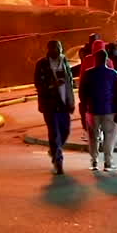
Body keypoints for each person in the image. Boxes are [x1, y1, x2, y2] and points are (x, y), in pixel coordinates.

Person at [34, 40, 75, 175]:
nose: (59, 51)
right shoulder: (42, 64)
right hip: (50, 105)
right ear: (50, 49)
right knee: (54, 133)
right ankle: (58, 161)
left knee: (66, 130)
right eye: (57, 48)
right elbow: (38, 84)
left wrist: (71, 101)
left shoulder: (65, 62)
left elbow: (69, 83)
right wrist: (53, 86)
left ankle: (54, 150)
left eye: (60, 48)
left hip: (64, 104)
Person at [80, 48, 117, 172]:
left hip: (92, 110)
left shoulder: (87, 73)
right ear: (106, 60)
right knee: (109, 136)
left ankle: (94, 162)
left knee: (93, 136)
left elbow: (82, 93)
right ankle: (108, 163)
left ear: (95, 60)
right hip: (110, 109)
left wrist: (85, 105)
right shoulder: (113, 74)